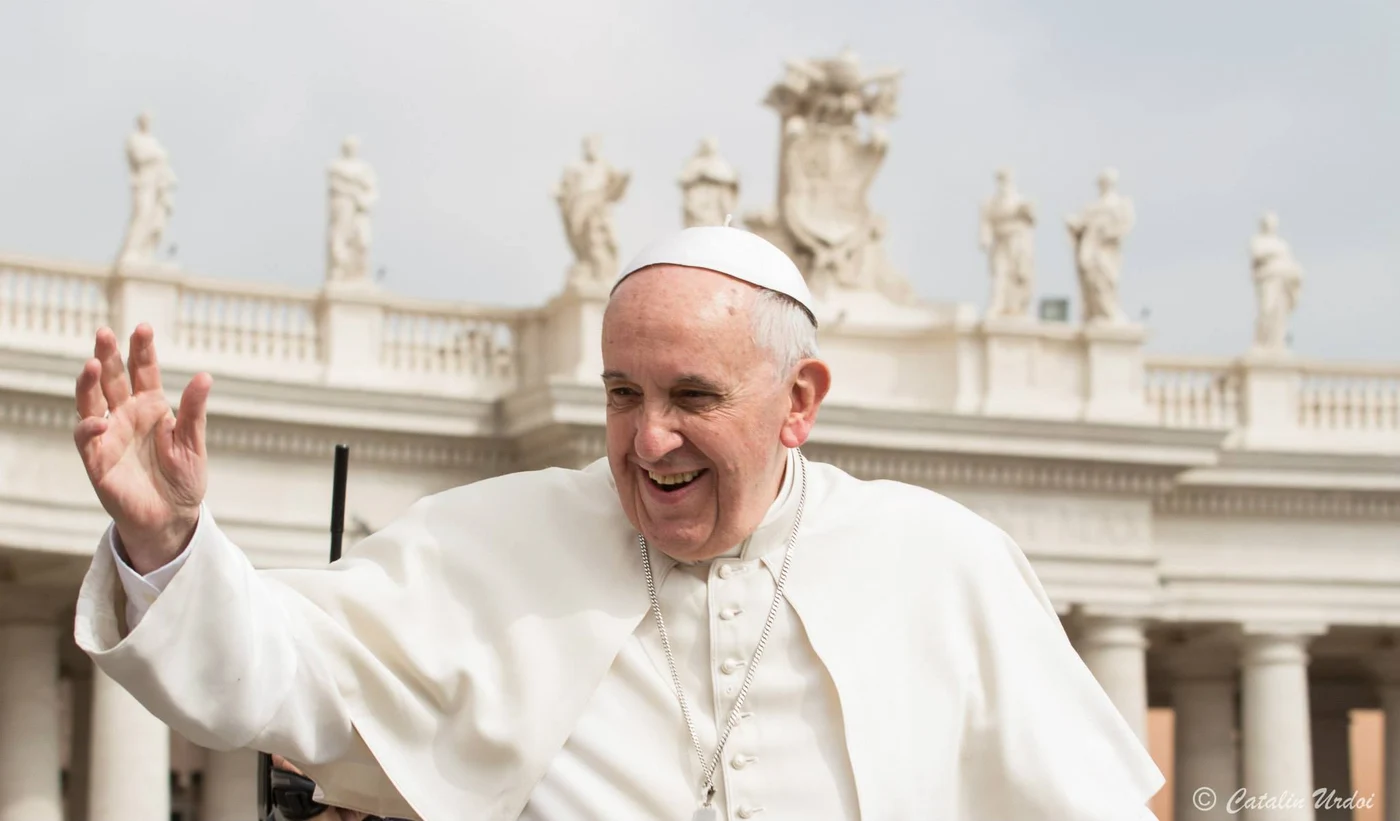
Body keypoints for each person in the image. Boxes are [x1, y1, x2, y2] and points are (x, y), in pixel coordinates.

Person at [72, 226, 1164, 820]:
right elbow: (274, 673)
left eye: (691, 397)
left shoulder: (942, 566)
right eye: (619, 394)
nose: (648, 441)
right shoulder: (488, 544)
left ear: (798, 400)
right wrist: (166, 544)